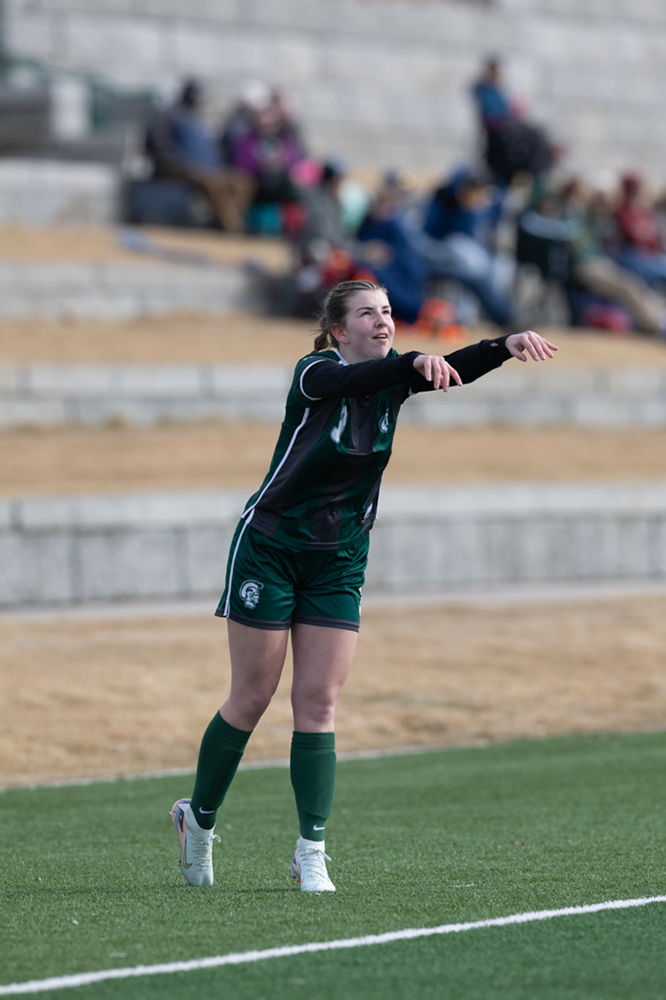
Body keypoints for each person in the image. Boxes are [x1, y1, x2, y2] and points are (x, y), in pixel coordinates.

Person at [170, 279, 558, 893]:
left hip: (341, 555)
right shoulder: (315, 373)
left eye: (387, 312)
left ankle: (311, 850)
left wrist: (503, 345)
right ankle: (199, 819)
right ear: (338, 331)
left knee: (319, 703)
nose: (383, 322)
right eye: (367, 315)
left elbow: (451, 367)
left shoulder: (393, 376)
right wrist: (413, 361)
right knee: (252, 697)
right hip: (270, 548)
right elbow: (369, 376)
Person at [144, 78, 255, 232]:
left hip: (208, 168)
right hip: (180, 167)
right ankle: (233, 228)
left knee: (243, 183)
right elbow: (157, 143)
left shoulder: (198, 119)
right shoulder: (168, 115)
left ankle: (219, 222)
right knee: (213, 182)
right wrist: (177, 160)